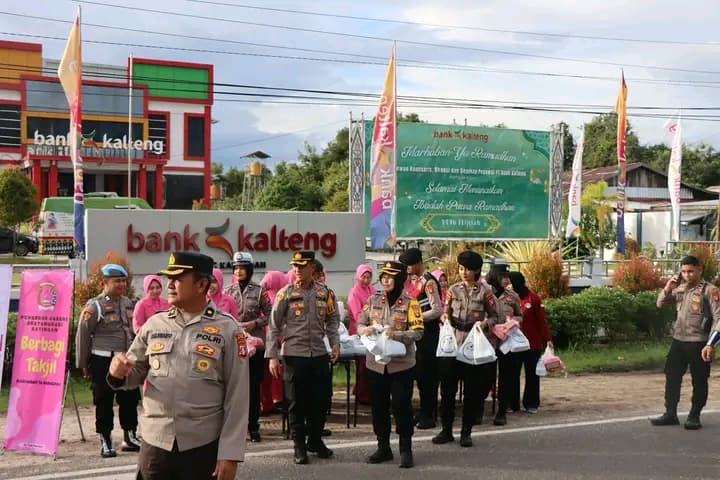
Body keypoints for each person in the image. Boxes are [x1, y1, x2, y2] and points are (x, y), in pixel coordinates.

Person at [107, 252, 249, 480]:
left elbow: (238, 397)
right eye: (168, 278)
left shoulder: (228, 330)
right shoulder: (154, 324)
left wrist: (230, 455)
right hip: (156, 444)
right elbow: (133, 374)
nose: (169, 284)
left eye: (178, 278)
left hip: (201, 446)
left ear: (202, 284)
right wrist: (117, 373)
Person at [266, 251, 340, 465]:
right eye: (294, 266)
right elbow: (273, 326)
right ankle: (299, 446)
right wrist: (272, 356)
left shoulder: (325, 293)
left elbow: (332, 319)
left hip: (318, 354)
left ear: (312, 268)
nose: (297, 269)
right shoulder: (285, 293)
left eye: (302, 266)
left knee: (320, 401)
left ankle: (315, 441)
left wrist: (335, 342)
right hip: (293, 355)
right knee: (296, 403)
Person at [358, 261, 424, 468]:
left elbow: (419, 331)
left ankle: (406, 449)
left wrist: (396, 334)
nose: (385, 279)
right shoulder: (372, 299)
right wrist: (364, 330)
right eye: (383, 276)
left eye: (390, 276)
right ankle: (383, 447)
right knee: (378, 407)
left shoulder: (411, 303)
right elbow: (360, 322)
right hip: (375, 364)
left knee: (402, 406)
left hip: (401, 365)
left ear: (399, 280)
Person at [75, 263, 141, 458]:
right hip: (102, 360)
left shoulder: (128, 302)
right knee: (104, 401)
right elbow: (83, 335)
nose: (121, 284)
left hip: (125, 360)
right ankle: (105, 439)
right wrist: (83, 364)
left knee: (129, 398)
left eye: (123, 280)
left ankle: (130, 435)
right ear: (105, 282)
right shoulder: (94, 306)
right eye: (117, 281)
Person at [433, 251, 498, 447]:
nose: (464, 273)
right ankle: (446, 430)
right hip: (453, 343)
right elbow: (446, 311)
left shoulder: (485, 292)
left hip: (473, 344)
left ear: (477, 270)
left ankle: (466, 432)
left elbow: (497, 316)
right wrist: (444, 318)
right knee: (447, 390)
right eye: (461, 269)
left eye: (468, 269)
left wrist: (485, 324)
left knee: (471, 392)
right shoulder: (454, 290)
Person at [652, 255, 720, 429]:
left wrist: (710, 344)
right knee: (672, 377)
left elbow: (719, 319)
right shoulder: (680, 289)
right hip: (679, 340)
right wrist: (668, 288)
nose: (687, 275)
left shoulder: (709, 291)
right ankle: (670, 413)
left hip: (700, 343)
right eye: (683, 271)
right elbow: (660, 304)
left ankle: (694, 415)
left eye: (691, 271)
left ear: (699, 270)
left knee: (699, 379)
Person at [225, 251, 272, 443]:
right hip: (236, 345)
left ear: (250, 269)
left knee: (253, 388)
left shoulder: (260, 291)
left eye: (242, 268)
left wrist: (255, 323)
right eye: (236, 268)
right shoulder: (227, 291)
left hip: (256, 345)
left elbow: (271, 314)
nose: (239, 271)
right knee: (235, 389)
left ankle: (254, 426)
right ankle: (237, 428)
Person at [399, 247, 442, 429]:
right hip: (419, 334)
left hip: (429, 334)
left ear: (417, 264)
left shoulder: (429, 282)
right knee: (420, 375)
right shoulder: (417, 282)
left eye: (409, 265)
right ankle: (423, 411)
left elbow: (437, 309)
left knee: (428, 376)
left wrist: (416, 318)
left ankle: (429, 414)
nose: (407, 269)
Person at [508, 271, 553, 413]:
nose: (508, 284)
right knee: (512, 374)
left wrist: (548, 339)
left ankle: (531, 403)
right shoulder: (508, 299)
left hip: (532, 344)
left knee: (532, 374)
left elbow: (542, 321)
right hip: (514, 344)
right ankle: (511, 403)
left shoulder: (533, 298)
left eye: (510, 282)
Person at [485, 260, 523, 426]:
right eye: (503, 276)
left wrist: (512, 322)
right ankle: (479, 408)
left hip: (506, 342)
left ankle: (501, 411)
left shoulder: (512, 296)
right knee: (485, 376)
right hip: (488, 341)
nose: (507, 280)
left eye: (508, 276)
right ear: (494, 277)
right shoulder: (484, 293)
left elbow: (520, 314)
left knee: (506, 377)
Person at [258, 271, 289, 414]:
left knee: (265, 376)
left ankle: (267, 402)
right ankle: (275, 400)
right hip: (274, 341)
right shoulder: (278, 297)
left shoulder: (264, 295)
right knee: (274, 374)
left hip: (264, 341)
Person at [347, 263, 376, 404]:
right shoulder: (354, 292)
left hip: (372, 329)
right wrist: (368, 324)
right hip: (359, 330)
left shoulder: (372, 289)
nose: (366, 280)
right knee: (363, 363)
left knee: (370, 361)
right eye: (363, 277)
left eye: (368, 277)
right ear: (358, 277)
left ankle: (361, 389)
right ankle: (362, 394)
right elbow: (357, 313)